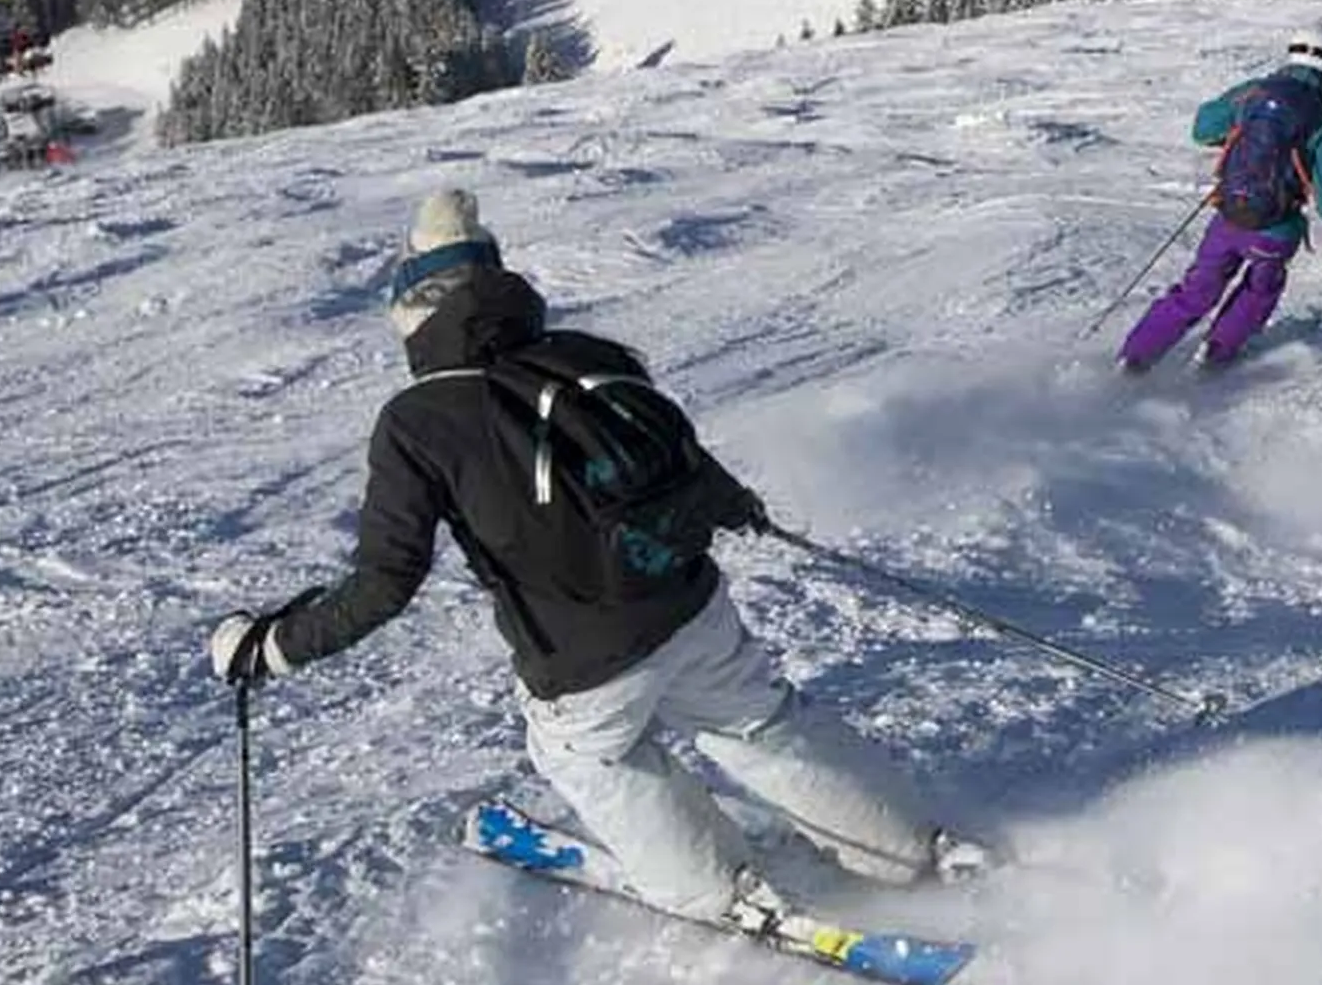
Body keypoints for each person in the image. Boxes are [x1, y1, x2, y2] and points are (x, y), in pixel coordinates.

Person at [206, 191, 961, 926]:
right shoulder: (585, 354)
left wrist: (272, 646)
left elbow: (385, 582)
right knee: (759, 719)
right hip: (690, 602)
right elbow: (677, 456)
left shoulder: (418, 419)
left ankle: (719, 889)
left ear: (414, 313)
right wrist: (738, 507)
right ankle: (904, 850)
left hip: (584, 658)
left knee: (591, 757)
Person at [1120, 16, 1322, 376]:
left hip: (1228, 216)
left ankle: (1136, 357)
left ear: (1290, 54)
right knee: (1260, 288)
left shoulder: (1253, 92)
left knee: (1197, 288)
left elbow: (1202, 128)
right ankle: (1217, 353)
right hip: (1276, 229)